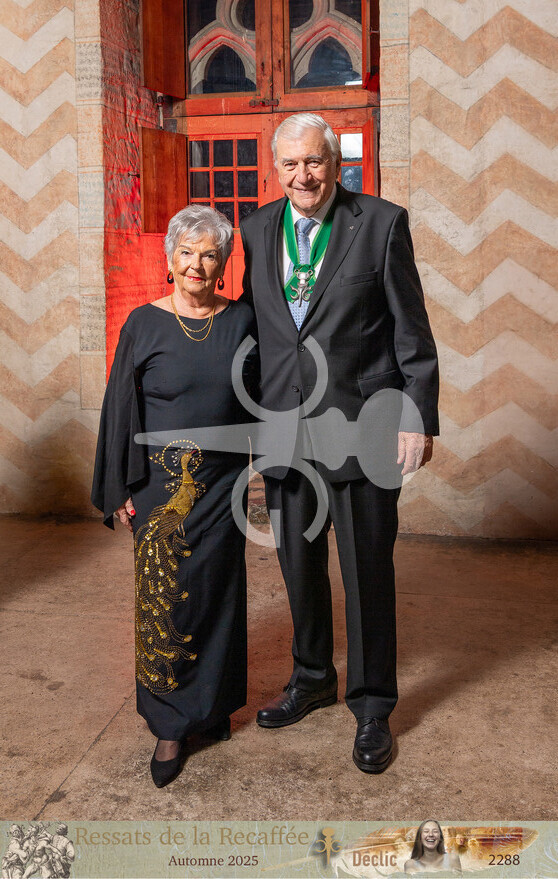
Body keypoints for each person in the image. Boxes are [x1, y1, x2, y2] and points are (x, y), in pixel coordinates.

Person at [240, 113, 439, 773]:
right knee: (298, 568)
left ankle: (373, 704)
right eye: (290, 164)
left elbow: (411, 331)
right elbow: (256, 331)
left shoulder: (380, 223)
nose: (303, 175)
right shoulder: (256, 230)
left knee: (366, 574)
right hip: (283, 431)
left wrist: (418, 416)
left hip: (364, 429)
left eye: (315, 161)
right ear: (276, 169)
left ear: (336, 162)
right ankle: (312, 677)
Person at [92, 206, 255, 787]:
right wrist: (120, 485)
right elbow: (120, 407)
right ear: (170, 259)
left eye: (209, 254)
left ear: (223, 264)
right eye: (186, 252)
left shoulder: (243, 321)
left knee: (219, 595)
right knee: (167, 601)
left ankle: (211, 709)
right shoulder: (143, 323)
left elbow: (264, 396)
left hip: (224, 485)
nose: (196, 264)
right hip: (159, 489)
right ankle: (168, 723)